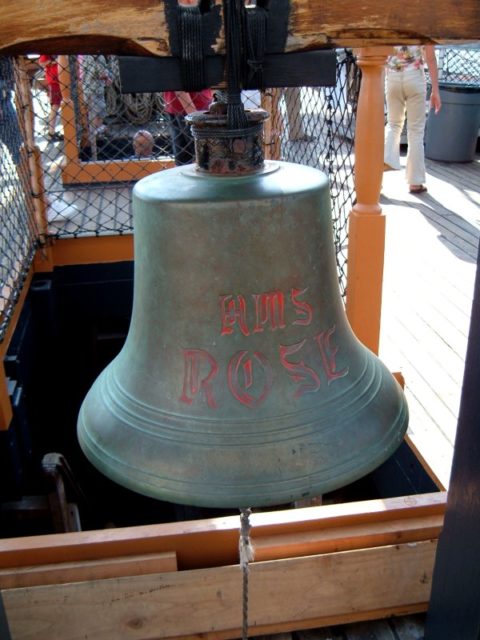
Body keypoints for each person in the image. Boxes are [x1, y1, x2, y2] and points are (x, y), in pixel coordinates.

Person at [384, 45, 442, 194]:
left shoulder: (390, 21)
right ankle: (415, 182)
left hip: (393, 76)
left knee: (393, 124)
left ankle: (383, 163)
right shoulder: (423, 22)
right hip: (415, 77)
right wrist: (435, 90)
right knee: (415, 131)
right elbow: (430, 57)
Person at [164, 90, 213, 166]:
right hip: (191, 108)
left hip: (184, 106)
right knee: (205, 158)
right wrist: (194, 115)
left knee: (184, 160)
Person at [38, 54, 63, 141]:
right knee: (55, 105)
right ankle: (51, 132)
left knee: (60, 105)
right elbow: (41, 62)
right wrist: (55, 62)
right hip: (54, 81)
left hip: (61, 79)